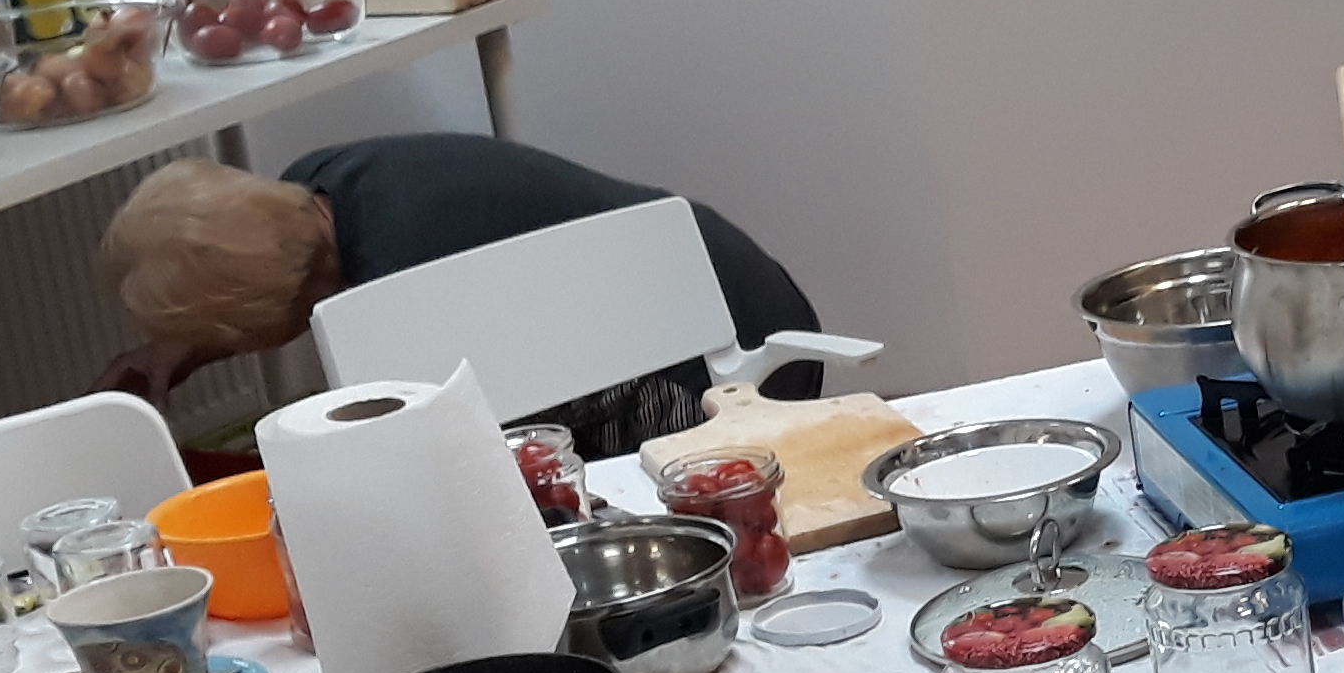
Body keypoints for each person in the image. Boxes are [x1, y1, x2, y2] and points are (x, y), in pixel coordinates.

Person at [93, 134, 825, 449]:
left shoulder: (405, 291)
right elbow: (264, 271)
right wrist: (179, 352)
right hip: (723, 274)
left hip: (720, 354)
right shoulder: (311, 189)